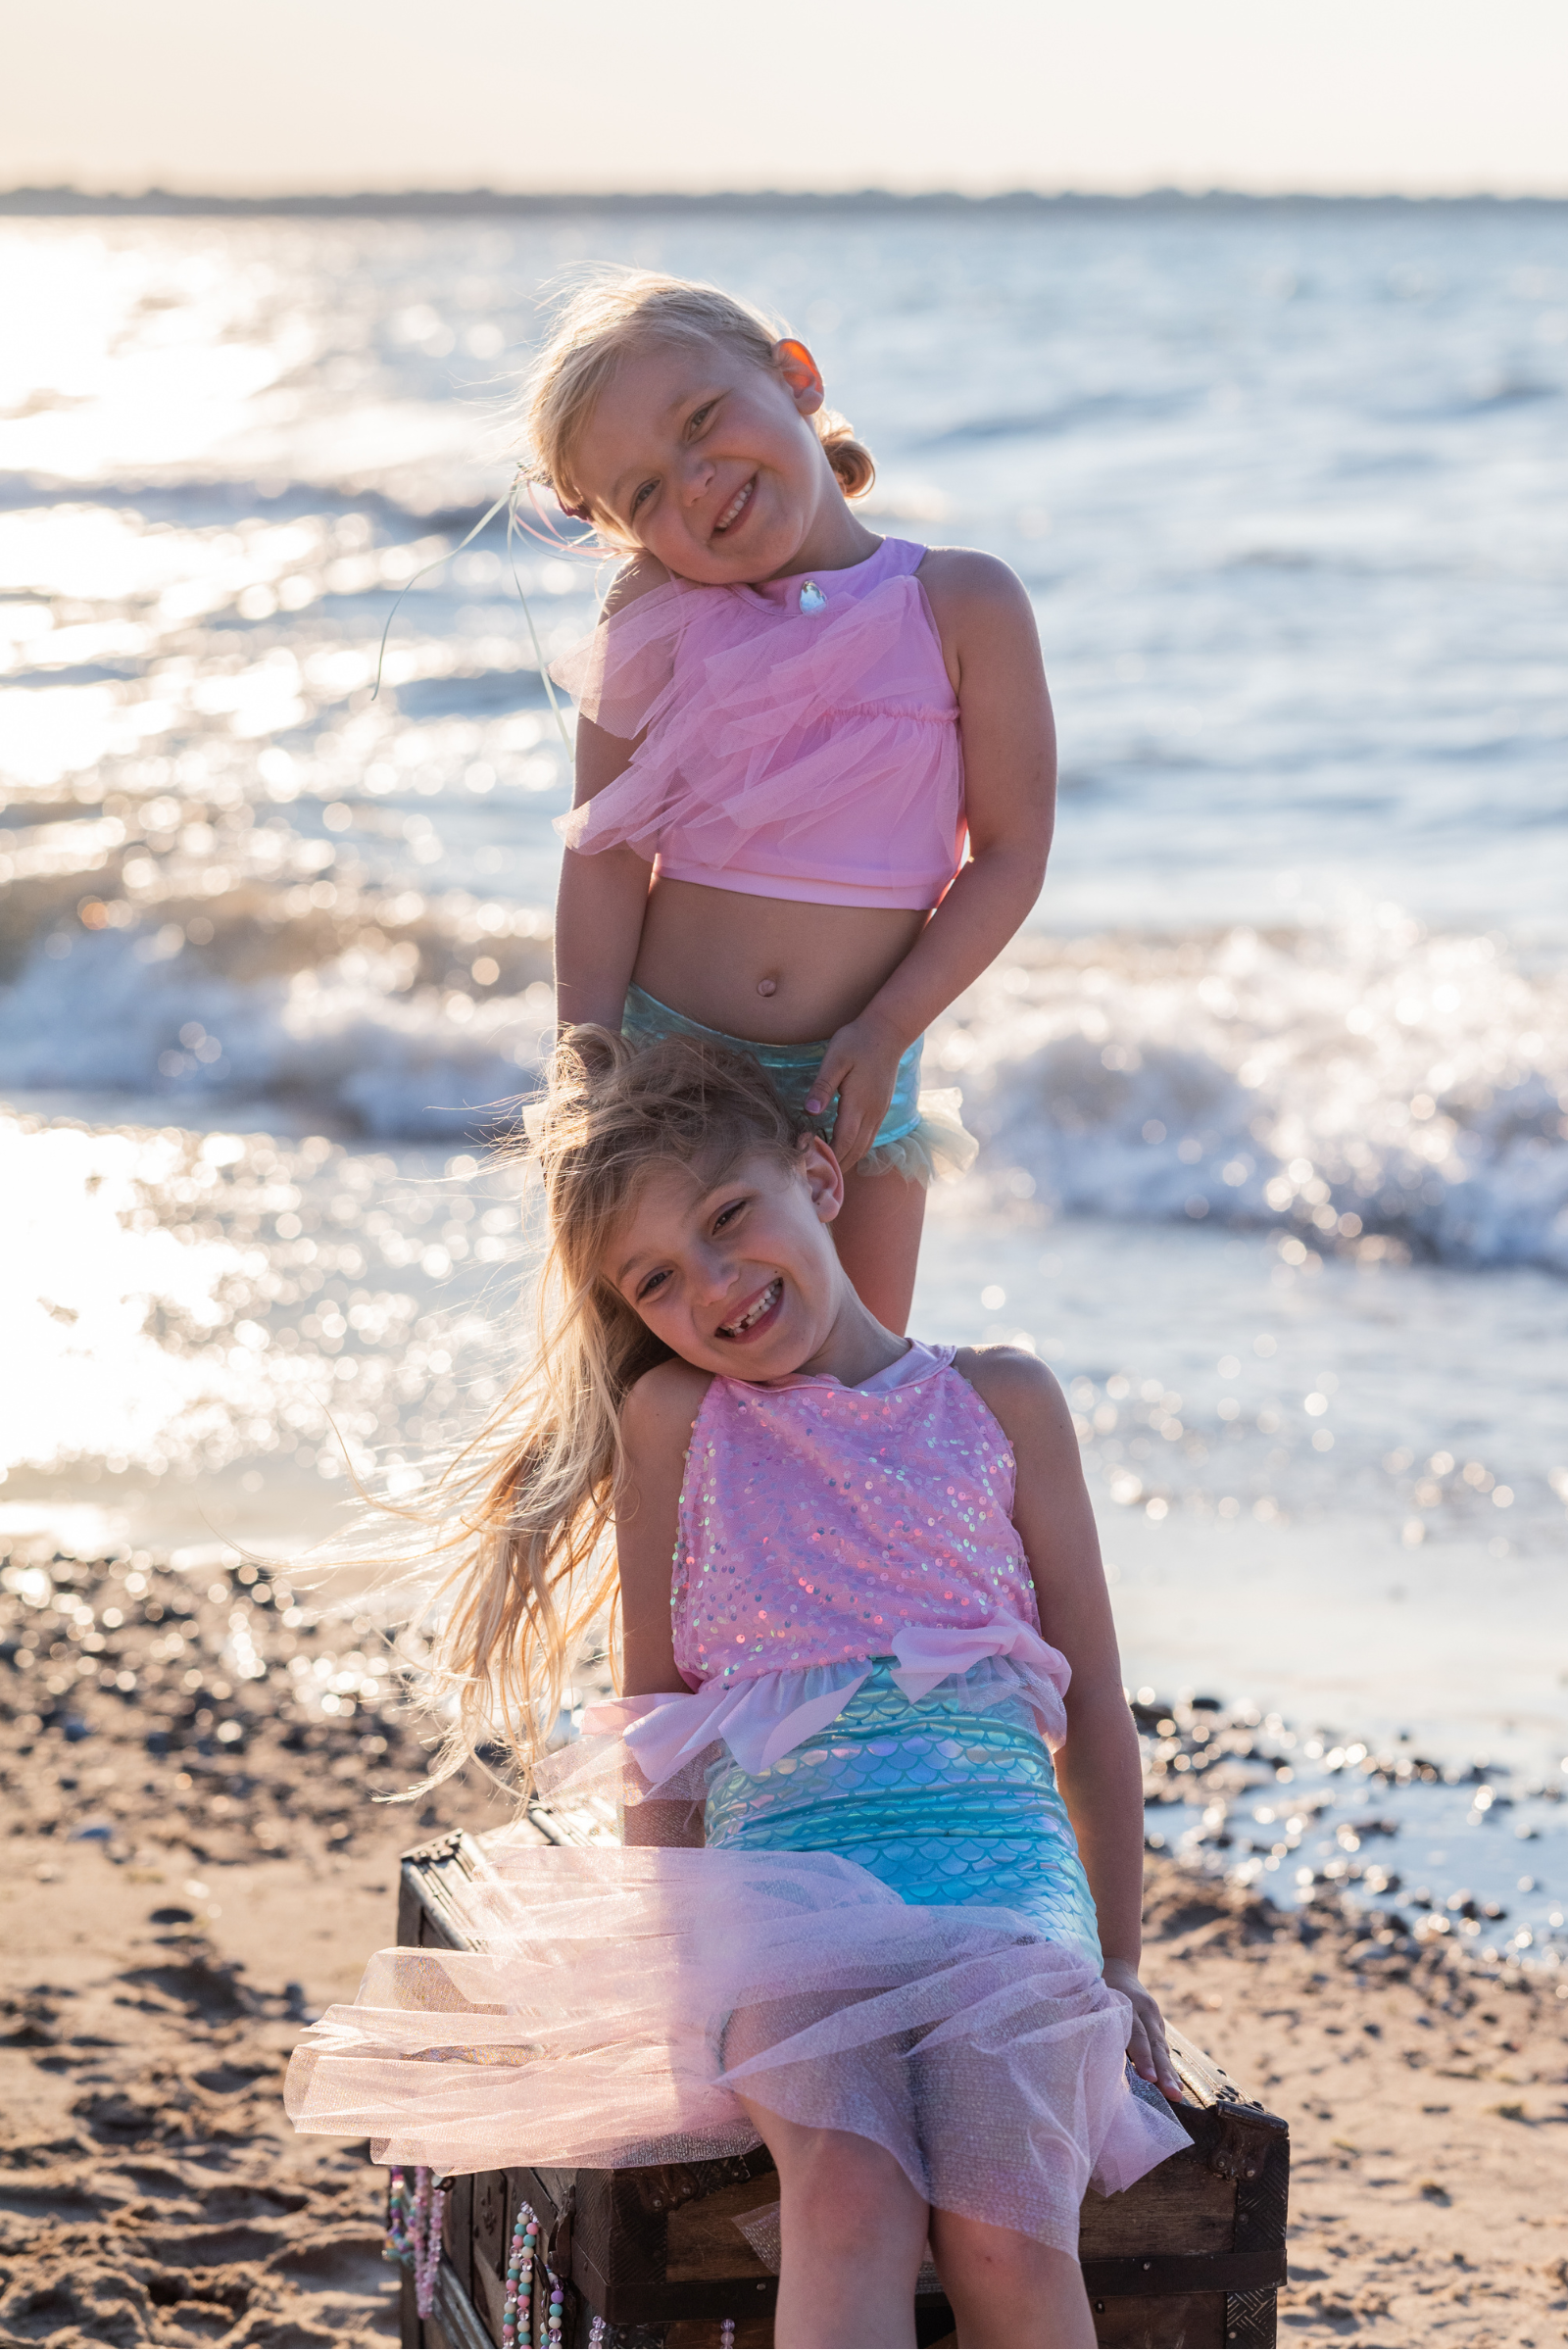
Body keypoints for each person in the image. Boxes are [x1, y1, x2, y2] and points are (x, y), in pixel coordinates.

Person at [285, 1032, 1189, 2351]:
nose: (712, 1287)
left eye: (728, 1218)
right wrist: (682, 1967)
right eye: (657, 1279)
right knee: (849, 2200)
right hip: (789, 1898)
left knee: (1005, 2220)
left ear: (819, 1176)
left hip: (1001, 1884)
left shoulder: (1001, 1399)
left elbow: (1097, 1711)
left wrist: (1117, 1959)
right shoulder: (677, 1423)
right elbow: (656, 1720)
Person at [533, 270, 1056, 1332]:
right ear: (623, 534)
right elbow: (604, 851)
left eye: (702, 420)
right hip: (665, 1080)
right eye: (642, 493)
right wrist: (585, 1070)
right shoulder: (656, 609)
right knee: (658, 1408)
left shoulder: (960, 603)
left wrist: (888, 1024)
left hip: (853, 1081)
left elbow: (1008, 855)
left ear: (797, 379)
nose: (693, 481)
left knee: (856, 1396)